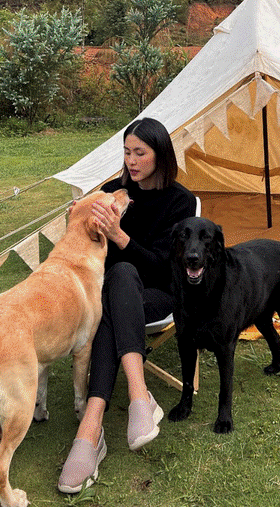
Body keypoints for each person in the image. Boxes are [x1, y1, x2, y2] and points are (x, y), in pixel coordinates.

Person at [58, 117, 196, 493]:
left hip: (160, 293)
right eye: (126, 152)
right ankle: (139, 398)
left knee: (120, 283)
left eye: (140, 153)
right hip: (115, 295)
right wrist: (79, 217)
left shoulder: (180, 201)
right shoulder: (111, 192)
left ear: (160, 156)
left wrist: (119, 236)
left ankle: (90, 432)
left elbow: (166, 268)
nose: (131, 161)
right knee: (116, 287)